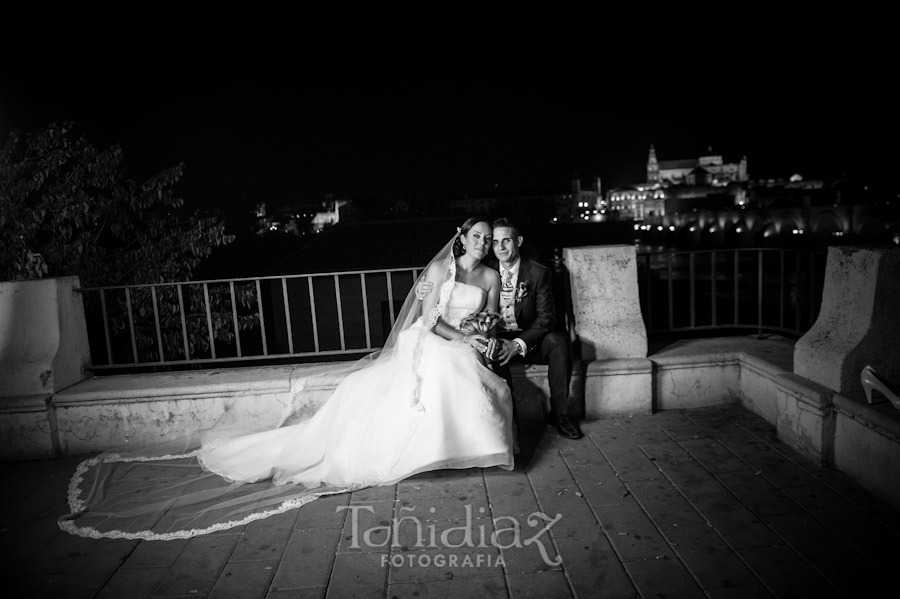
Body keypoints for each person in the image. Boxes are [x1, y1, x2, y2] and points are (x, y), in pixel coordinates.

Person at [59, 217, 515, 541]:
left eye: (484, 238)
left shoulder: (491, 276)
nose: (479, 242)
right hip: (434, 338)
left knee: (476, 380)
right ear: (461, 239)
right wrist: (466, 340)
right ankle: (431, 450)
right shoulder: (441, 271)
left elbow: (490, 318)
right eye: (474, 236)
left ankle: (472, 448)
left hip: (466, 343)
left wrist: (483, 336)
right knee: (444, 368)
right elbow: (430, 320)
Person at [416, 218, 583, 440]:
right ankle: (508, 424)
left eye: (506, 241)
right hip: (492, 338)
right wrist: (422, 288)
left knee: (558, 342)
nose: (499, 247)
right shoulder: (486, 267)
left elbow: (546, 318)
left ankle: (560, 414)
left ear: (519, 241)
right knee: (490, 370)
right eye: (494, 242)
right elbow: (438, 299)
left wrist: (517, 344)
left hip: (523, 338)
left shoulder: (537, 272)